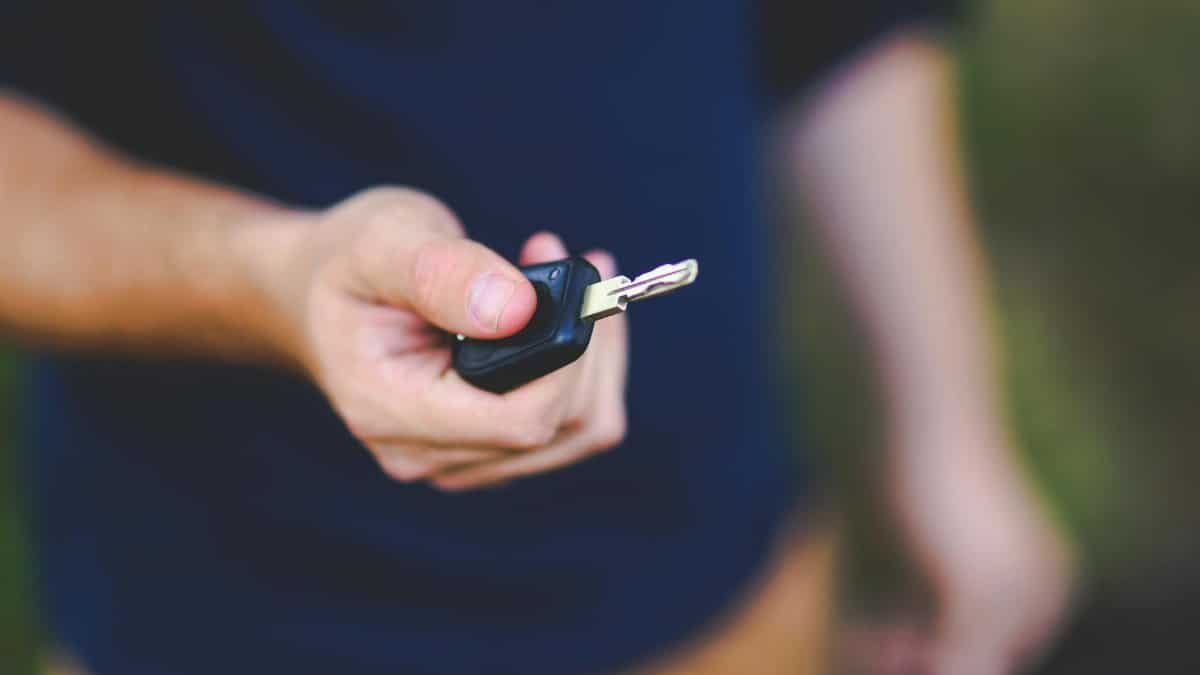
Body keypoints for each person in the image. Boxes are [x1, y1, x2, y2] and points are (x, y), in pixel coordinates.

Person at [0, 3, 1072, 674]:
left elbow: (835, 24)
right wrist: (277, 277)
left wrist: (951, 426)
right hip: (243, 627)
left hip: (733, 591)